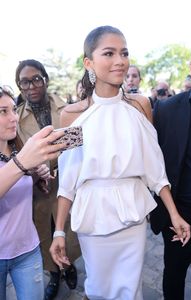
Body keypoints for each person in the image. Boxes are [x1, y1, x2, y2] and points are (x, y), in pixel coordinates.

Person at [49, 25, 190, 300]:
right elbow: (67, 181)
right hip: (93, 214)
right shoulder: (71, 116)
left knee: (130, 289)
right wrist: (59, 232)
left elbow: (155, 168)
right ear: (88, 62)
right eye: (109, 53)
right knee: (99, 289)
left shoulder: (139, 106)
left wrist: (174, 214)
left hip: (132, 214)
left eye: (124, 53)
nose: (120, 61)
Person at [150, 30, 191, 300]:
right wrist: (170, 214)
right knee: (173, 278)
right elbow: (154, 165)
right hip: (180, 217)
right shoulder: (166, 111)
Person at [15, 59, 81, 300]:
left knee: (68, 230)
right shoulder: (16, 118)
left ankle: (69, 265)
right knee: (45, 230)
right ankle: (53, 273)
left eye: (36, 79)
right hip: (39, 186)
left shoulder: (67, 109)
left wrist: (61, 166)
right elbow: (19, 155)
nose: (31, 86)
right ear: (19, 86)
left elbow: (77, 144)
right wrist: (38, 172)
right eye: (24, 82)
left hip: (66, 181)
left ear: (45, 80)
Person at [0, 86, 67, 300]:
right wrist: (21, 164)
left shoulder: (16, 149)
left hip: (28, 249)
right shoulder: (20, 158)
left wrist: (37, 177)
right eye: (3, 112)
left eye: (13, 110)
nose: (13, 118)